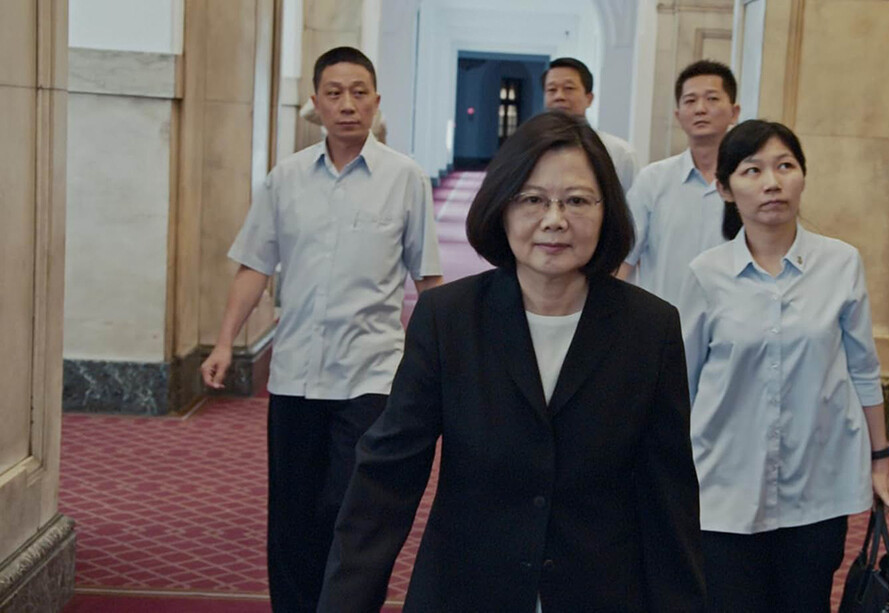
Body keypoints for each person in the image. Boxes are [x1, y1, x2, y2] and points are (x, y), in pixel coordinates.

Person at [318, 111, 705, 613]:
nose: (554, 220)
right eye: (532, 199)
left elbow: (668, 500)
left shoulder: (649, 330)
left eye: (578, 201)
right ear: (501, 208)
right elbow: (387, 479)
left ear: (608, 210)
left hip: (601, 592)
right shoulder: (449, 320)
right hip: (467, 590)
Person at [199, 46, 443, 612]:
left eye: (359, 92)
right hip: (295, 375)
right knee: (292, 515)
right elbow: (255, 265)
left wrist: (442, 365)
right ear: (315, 103)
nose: (348, 105)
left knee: (351, 511)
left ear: (377, 101)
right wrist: (224, 342)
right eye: (334, 93)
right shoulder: (285, 180)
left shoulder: (405, 179)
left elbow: (428, 281)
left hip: (372, 374)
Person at [677, 120, 889, 612]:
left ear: (802, 176)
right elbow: (683, 384)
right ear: (725, 189)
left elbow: (863, 368)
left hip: (817, 483)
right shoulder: (706, 275)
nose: (772, 182)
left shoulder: (841, 264)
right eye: (752, 170)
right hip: (724, 487)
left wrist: (880, 460)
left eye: (785, 166)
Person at [618, 59, 740, 307]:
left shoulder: (748, 182)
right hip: (664, 329)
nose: (700, 109)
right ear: (678, 115)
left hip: (733, 327)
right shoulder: (653, 180)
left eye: (712, 99)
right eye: (690, 101)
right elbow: (624, 260)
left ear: (734, 112)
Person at [543, 57, 639, 191]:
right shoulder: (528, 149)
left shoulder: (619, 154)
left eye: (569, 88)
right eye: (551, 90)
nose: (559, 96)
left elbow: (630, 208)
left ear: (589, 98)